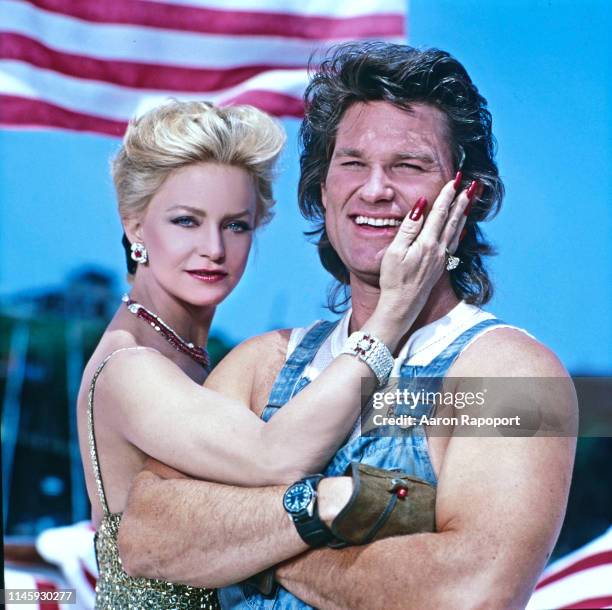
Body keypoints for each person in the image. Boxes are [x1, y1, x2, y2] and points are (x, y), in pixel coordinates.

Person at [116, 43, 577, 609]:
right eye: (353, 163)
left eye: (408, 165)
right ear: (323, 187)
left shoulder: (511, 374)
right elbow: (147, 538)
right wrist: (329, 508)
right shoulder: (264, 364)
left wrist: (254, 546)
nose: (375, 189)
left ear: (464, 193)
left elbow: (468, 593)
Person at [77, 98, 467, 608]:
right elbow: (275, 456)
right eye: (186, 222)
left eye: (236, 224)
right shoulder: (130, 366)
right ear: (134, 227)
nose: (214, 247)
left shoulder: (189, 356)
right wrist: (394, 312)